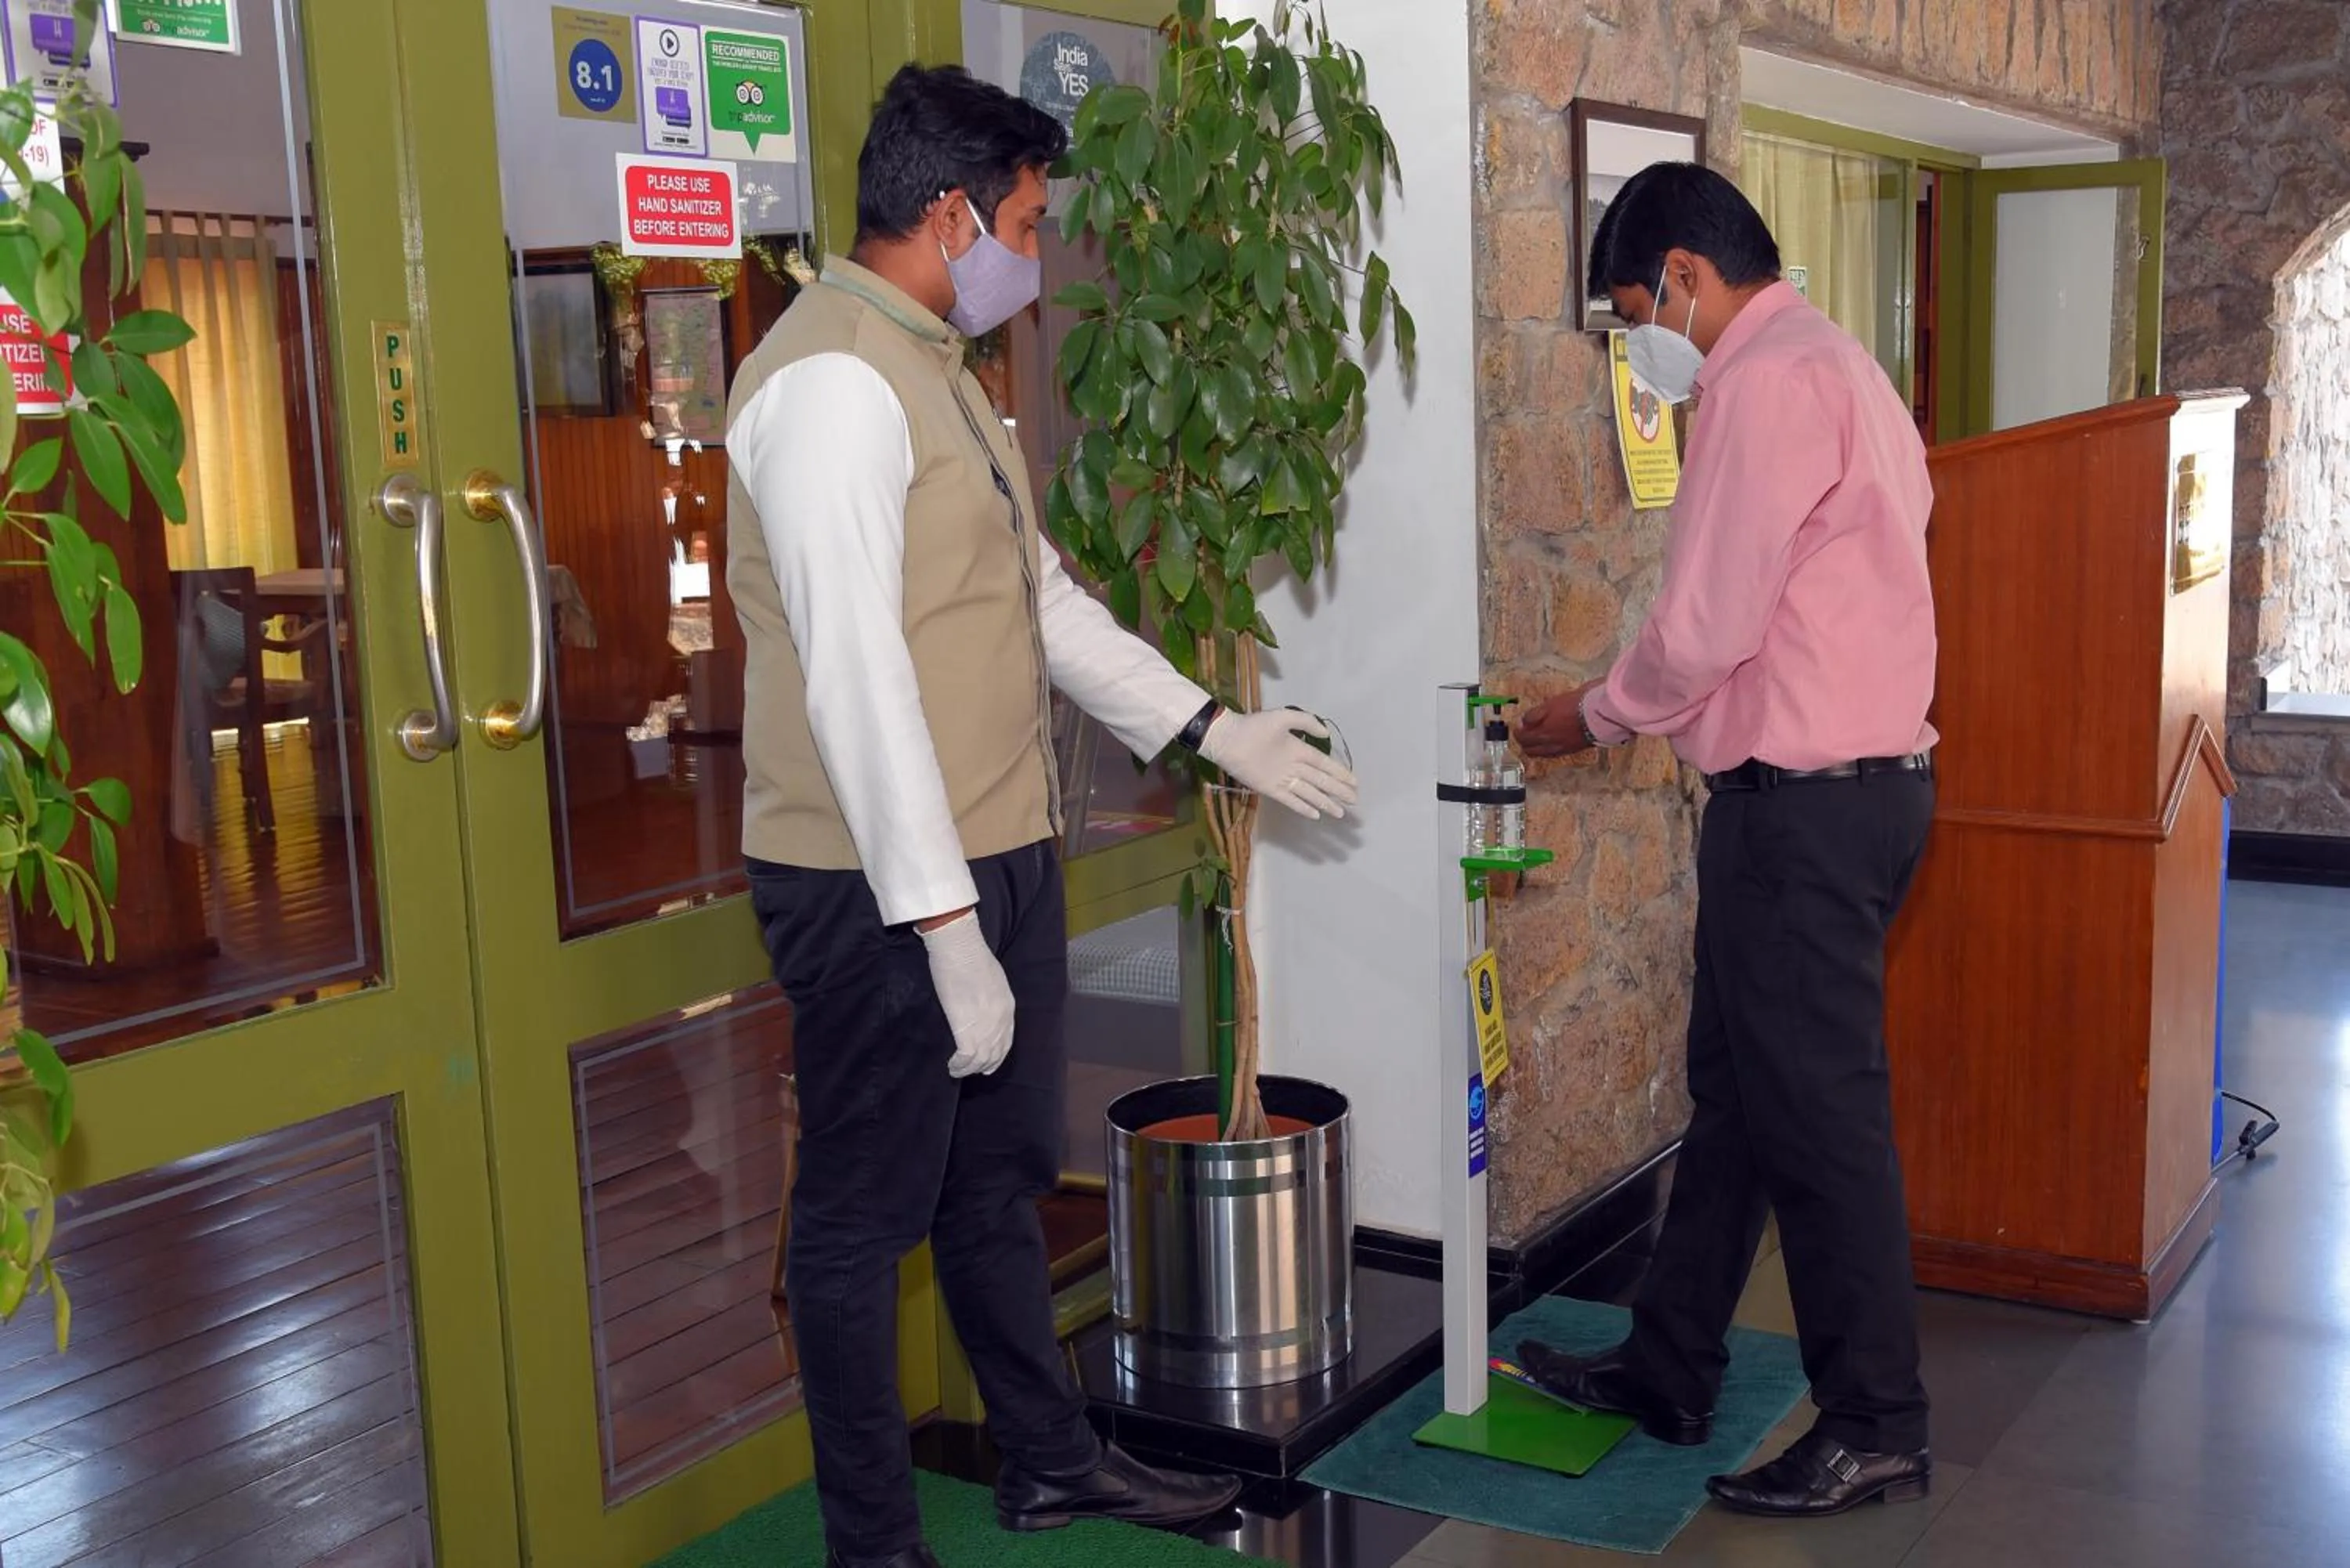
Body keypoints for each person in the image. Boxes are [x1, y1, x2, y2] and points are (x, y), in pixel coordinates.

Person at [725, 65, 1359, 1568]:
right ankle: (873, 1542)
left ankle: (1047, 1463)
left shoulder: (940, 366)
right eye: (1021, 219)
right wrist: (941, 927)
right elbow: (858, 679)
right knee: (859, 1224)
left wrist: (1217, 732)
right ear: (948, 215)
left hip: (994, 851)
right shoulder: (828, 386)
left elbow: (1042, 603)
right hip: (876, 881)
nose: (1031, 249)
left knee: (995, 1186)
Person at [1513, 162, 1939, 1519]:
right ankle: (1671, 1357)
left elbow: (1703, 627)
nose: (1644, 347)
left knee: (1818, 1122)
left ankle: (1875, 1418)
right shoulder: (1847, 364)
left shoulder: (1758, 384)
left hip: (1800, 810)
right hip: (1857, 794)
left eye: (1638, 312)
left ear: (1688, 278)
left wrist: (1589, 715)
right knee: (1743, 1095)